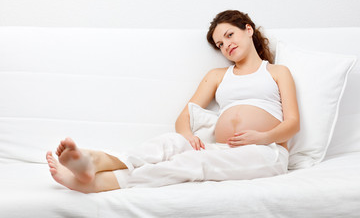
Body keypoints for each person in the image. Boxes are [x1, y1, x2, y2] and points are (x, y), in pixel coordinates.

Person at [46, 10, 300, 193]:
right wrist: (187, 135)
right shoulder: (217, 76)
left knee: (193, 163)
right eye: (220, 44)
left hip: (265, 152)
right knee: (171, 142)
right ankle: (97, 160)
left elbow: (292, 124)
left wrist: (261, 137)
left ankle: (100, 182)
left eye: (230, 35)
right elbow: (184, 117)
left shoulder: (277, 72)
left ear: (248, 29)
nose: (226, 45)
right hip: (221, 148)